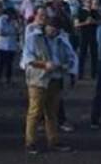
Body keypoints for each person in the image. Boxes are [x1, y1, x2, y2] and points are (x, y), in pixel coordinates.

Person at [21, 17, 74, 154]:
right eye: (52, 28)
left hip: (55, 78)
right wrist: (44, 65)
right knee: (35, 111)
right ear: (46, 27)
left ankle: (53, 140)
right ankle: (30, 142)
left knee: (52, 112)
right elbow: (28, 59)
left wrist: (66, 65)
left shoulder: (61, 41)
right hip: (38, 79)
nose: (54, 31)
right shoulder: (34, 39)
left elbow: (69, 57)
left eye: (56, 29)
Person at [75, 0, 101, 79]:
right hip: (83, 35)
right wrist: (85, 23)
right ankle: (80, 74)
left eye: (90, 2)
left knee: (94, 54)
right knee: (82, 54)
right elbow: (76, 24)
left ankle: (94, 73)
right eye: (87, 2)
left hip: (93, 35)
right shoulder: (80, 12)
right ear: (84, 3)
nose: (89, 4)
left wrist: (94, 22)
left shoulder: (95, 12)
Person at [0, 8, 21, 86]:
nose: (13, 16)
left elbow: (18, 30)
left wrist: (15, 27)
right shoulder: (1, 20)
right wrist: (12, 31)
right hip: (2, 46)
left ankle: (8, 79)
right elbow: (1, 32)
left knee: (10, 63)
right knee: (1, 63)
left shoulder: (14, 21)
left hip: (11, 45)